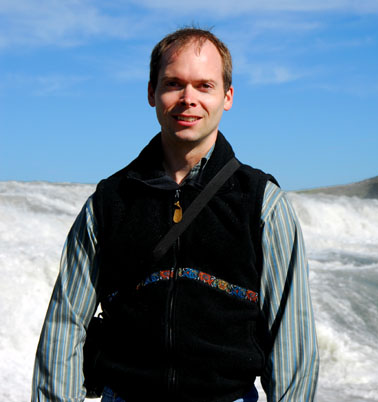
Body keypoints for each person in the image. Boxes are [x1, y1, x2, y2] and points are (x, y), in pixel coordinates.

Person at [31, 28, 319, 402]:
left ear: (227, 97)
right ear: (152, 93)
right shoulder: (108, 203)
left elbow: (291, 337)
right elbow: (65, 326)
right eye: (173, 84)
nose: (188, 99)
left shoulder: (262, 202)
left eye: (204, 86)